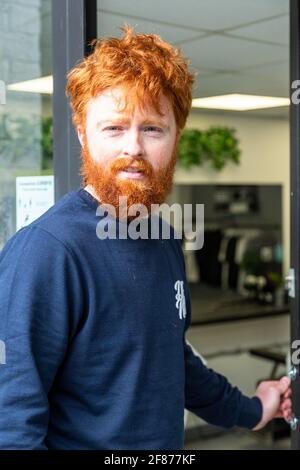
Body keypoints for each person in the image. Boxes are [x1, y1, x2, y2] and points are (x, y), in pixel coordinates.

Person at [0, 26, 292, 450]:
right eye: (114, 128)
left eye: (153, 129)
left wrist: (252, 409)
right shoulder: (48, 249)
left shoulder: (164, 239)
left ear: (176, 138)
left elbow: (172, 361)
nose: (133, 147)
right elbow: (11, 421)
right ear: (83, 134)